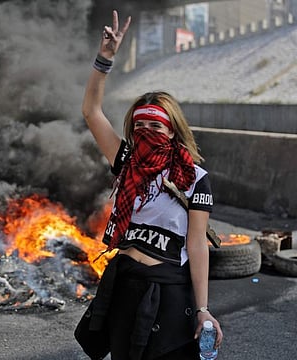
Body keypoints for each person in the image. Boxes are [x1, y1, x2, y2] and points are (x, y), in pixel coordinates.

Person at [78, 9, 224, 360]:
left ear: (172, 130)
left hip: (169, 289)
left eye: (155, 127)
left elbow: (197, 245)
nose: (146, 133)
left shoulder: (194, 178)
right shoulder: (127, 162)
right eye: (139, 127)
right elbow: (91, 112)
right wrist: (105, 59)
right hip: (125, 284)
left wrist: (203, 309)